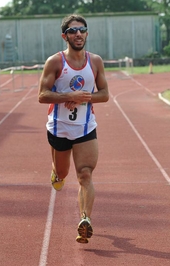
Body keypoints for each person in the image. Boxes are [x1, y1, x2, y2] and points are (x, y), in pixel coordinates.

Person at [38, 14, 109, 244]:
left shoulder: (95, 61)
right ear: (64, 36)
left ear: (87, 34)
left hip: (85, 127)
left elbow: (104, 94)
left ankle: (85, 220)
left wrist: (83, 99)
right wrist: (69, 96)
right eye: (73, 30)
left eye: (82, 29)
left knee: (85, 174)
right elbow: (42, 95)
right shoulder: (55, 62)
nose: (78, 34)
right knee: (63, 175)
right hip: (59, 128)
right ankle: (56, 172)